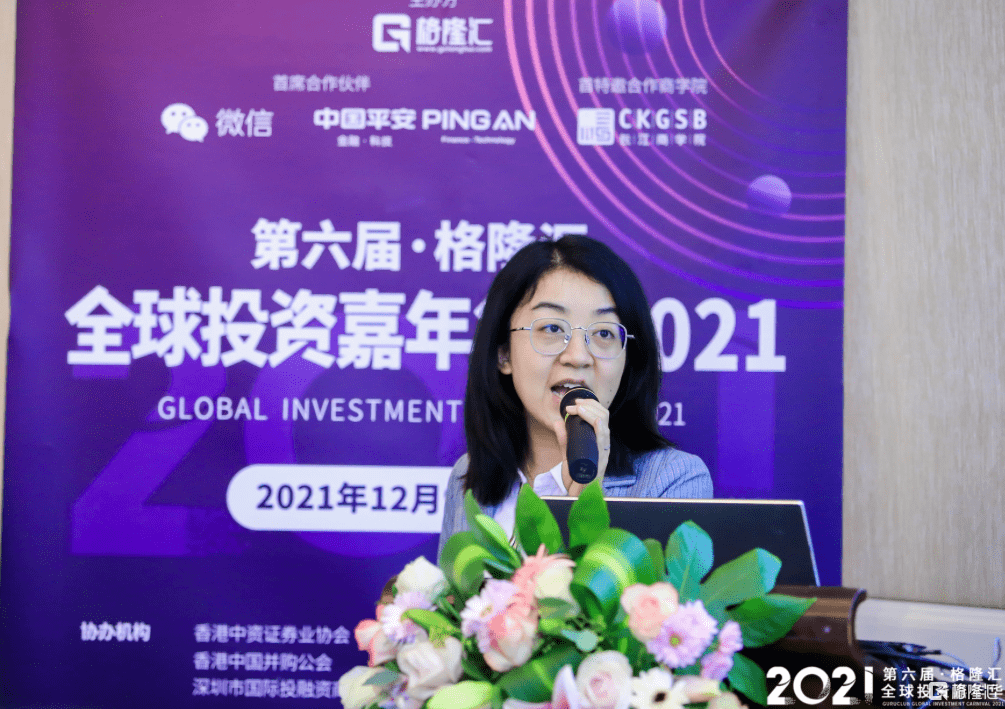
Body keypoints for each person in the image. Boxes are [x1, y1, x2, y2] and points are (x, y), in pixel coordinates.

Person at [438, 235, 712, 560]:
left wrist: (586, 502)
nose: (578, 357)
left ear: (629, 359)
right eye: (552, 329)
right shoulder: (469, 476)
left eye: (604, 333)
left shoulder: (673, 482)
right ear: (503, 354)